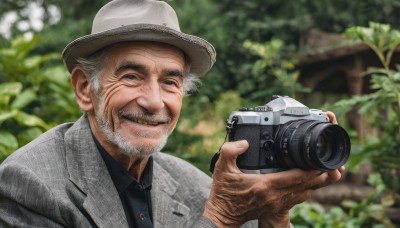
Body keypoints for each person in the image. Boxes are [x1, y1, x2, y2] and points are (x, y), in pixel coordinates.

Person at [0, 0, 344, 227]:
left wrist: (276, 213)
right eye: (131, 76)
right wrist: (220, 218)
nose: (154, 102)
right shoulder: (30, 184)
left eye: (170, 81)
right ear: (84, 89)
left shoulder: (194, 185)